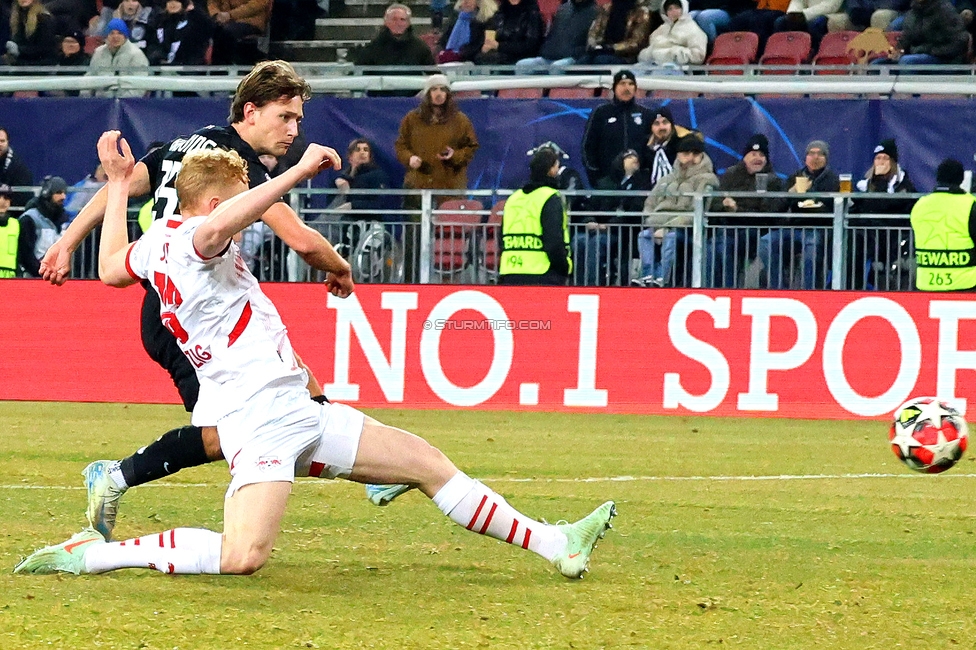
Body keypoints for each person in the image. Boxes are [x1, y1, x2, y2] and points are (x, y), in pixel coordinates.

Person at [14, 132, 616, 581]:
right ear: (212, 202)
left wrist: (118, 186)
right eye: (235, 196)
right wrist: (299, 170)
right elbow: (233, 216)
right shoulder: (198, 240)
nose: (245, 205)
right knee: (242, 555)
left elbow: (111, 265)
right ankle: (91, 556)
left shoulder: (156, 245)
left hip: (298, 407)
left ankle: (556, 543)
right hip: (259, 417)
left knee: (429, 464)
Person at [40, 61, 355, 542]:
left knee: (296, 378)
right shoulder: (235, 166)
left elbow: (121, 184)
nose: (293, 129)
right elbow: (302, 240)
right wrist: (340, 268)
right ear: (250, 111)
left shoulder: (189, 144)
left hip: (204, 299)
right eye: (285, 117)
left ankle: (364, 466)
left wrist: (67, 240)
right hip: (182, 312)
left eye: (298, 120)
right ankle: (115, 476)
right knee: (228, 435)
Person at [394, 73, 479, 281]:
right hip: (417, 188)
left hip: (449, 189)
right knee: (414, 238)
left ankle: (448, 283)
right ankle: (412, 281)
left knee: (449, 241)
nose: (439, 94)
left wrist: (454, 156)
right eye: (434, 90)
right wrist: (410, 158)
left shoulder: (460, 120)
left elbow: (472, 147)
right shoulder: (412, 119)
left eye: (443, 90)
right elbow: (400, 145)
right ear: (427, 94)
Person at [635, 134, 718, 287]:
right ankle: (647, 275)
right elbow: (649, 204)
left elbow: (697, 212)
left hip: (687, 230)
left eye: (696, 154)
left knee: (671, 237)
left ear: (702, 156)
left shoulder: (707, 180)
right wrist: (655, 226)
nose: (691, 158)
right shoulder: (666, 179)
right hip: (658, 225)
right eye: (686, 154)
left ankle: (662, 278)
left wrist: (666, 228)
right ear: (678, 155)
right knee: (644, 235)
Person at [757, 139, 839, 290]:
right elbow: (777, 208)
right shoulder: (794, 177)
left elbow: (832, 209)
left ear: (826, 159)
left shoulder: (833, 180)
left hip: (818, 229)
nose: (815, 157)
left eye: (820, 154)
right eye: (811, 153)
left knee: (812, 246)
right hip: (793, 227)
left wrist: (813, 196)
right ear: (805, 157)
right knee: (765, 242)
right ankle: (778, 288)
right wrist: (791, 193)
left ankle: (809, 291)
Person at [707, 134, 786, 288]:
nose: (758, 158)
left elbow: (766, 214)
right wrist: (724, 205)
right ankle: (714, 290)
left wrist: (737, 209)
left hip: (756, 232)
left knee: (726, 245)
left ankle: (728, 290)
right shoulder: (730, 175)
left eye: (762, 155)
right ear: (744, 157)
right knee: (713, 246)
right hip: (728, 228)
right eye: (753, 154)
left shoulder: (773, 181)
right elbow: (714, 202)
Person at [848, 138, 916, 290]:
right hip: (868, 237)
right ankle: (850, 287)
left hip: (893, 238)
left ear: (893, 162)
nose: (881, 162)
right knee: (852, 243)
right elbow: (859, 209)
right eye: (878, 158)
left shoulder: (904, 185)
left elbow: (883, 205)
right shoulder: (864, 185)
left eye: (885, 158)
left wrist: (880, 181)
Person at [499, 147, 573, 285]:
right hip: (543, 274)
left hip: (510, 273)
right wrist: (563, 268)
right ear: (551, 170)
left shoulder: (514, 198)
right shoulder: (550, 197)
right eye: (557, 166)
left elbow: (501, 237)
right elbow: (554, 241)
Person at [580, 149, 650, 285]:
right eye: (629, 157)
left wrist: (608, 226)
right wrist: (589, 221)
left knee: (597, 242)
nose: (634, 159)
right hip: (598, 229)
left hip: (623, 232)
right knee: (579, 240)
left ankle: (593, 284)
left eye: (636, 156)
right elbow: (590, 206)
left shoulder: (642, 182)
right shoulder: (605, 183)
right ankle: (579, 282)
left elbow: (634, 209)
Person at [910, 158, 976, 292]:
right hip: (965, 285)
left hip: (926, 284)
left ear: (938, 177)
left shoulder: (920, 205)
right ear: (961, 179)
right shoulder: (970, 204)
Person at [581, 69, 654, 187]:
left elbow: (652, 147)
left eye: (631, 84)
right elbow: (588, 146)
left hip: (638, 181)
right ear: (614, 88)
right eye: (622, 84)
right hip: (607, 180)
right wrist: (597, 176)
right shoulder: (601, 112)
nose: (627, 88)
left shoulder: (646, 114)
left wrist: (645, 173)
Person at [514, 0, 599, 73]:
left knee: (557, 67)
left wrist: (576, 54)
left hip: (573, 58)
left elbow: (591, 44)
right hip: (549, 56)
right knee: (522, 65)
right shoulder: (562, 9)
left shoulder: (595, 12)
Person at [882, 0, 970, 65]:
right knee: (879, 64)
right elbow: (906, 39)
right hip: (918, 55)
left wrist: (928, 50)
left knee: (907, 62)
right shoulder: (912, 13)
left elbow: (960, 41)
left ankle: (908, 90)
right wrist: (897, 51)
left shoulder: (945, 11)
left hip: (944, 60)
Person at [355, 4, 436, 70]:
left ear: (408, 23)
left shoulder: (421, 48)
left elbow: (433, 75)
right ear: (386, 21)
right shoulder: (373, 47)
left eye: (402, 19)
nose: (398, 23)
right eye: (394, 19)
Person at [18, 176, 69, 279]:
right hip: (32, 278)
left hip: (54, 277)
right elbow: (25, 254)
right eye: (58, 192)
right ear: (47, 194)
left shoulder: (63, 220)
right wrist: (42, 272)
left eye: (64, 193)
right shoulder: (29, 218)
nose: (63, 197)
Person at [85, 19, 151, 98]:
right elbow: (90, 77)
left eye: (119, 33)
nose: (115, 37)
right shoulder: (99, 52)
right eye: (111, 33)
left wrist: (120, 102)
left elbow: (140, 85)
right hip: (100, 102)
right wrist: (86, 99)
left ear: (125, 36)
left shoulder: (136, 54)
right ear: (107, 36)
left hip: (127, 104)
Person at [579, 0, 653, 65]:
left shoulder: (641, 12)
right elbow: (595, 30)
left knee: (601, 60)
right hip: (602, 51)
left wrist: (612, 48)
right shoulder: (607, 9)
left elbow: (637, 42)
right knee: (583, 61)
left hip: (626, 57)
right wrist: (593, 43)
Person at [637, 0, 708, 67]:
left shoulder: (693, 29)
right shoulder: (661, 29)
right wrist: (648, 53)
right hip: (652, 65)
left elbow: (698, 56)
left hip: (677, 69)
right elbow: (651, 46)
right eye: (670, 9)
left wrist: (674, 53)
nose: (673, 12)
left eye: (677, 8)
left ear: (683, 9)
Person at [145, 0, 213, 66]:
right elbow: (153, 45)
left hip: (187, 71)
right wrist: (158, 58)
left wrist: (194, 11)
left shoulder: (195, 22)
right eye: (169, 1)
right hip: (161, 69)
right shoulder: (159, 22)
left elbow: (208, 28)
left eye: (177, 1)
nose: (173, 4)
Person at [476, 0, 544, 65]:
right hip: (498, 56)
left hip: (521, 58)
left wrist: (499, 46)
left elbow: (531, 45)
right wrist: (485, 46)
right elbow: (489, 33)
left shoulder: (532, 14)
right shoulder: (500, 14)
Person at [208, 0, 271, 65]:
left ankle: (222, 67)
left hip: (250, 21)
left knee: (226, 32)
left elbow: (258, 5)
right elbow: (212, 2)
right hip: (223, 20)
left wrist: (230, 15)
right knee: (203, 27)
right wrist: (216, 14)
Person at [3, 0, 59, 66]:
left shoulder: (44, 18)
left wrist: (19, 50)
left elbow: (45, 48)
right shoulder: (16, 19)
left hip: (41, 66)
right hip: (22, 64)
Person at [0, 127, 34, 211]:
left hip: (11, 214)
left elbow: (23, 197)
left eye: (2, 141)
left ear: (8, 142)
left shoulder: (18, 167)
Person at [0, 184, 18, 278]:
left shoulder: (15, 224)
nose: (3, 201)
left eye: (7, 198)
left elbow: (21, 255)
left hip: (10, 279)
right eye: (0, 197)